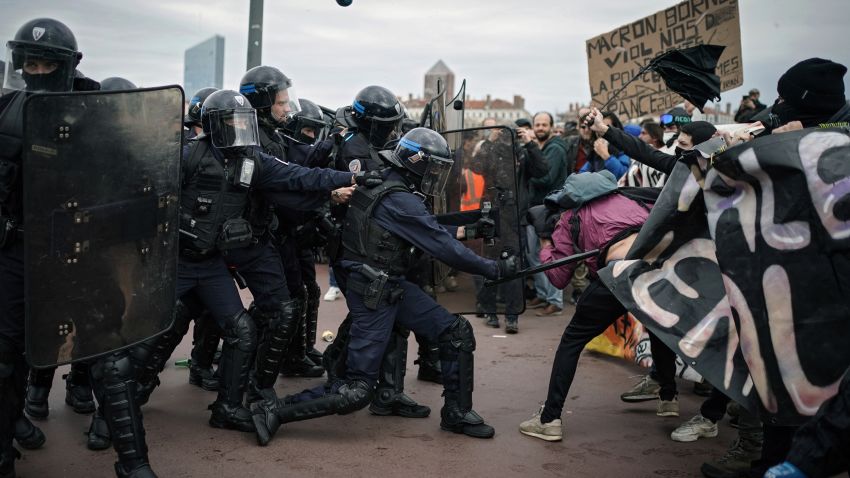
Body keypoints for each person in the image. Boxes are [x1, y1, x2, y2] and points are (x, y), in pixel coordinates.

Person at [251, 128, 517, 446]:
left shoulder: (387, 182)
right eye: (433, 168)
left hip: (386, 284)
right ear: (417, 163)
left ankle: (456, 414)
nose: (435, 176)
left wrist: (469, 226)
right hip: (376, 292)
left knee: (455, 333)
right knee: (357, 390)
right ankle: (274, 410)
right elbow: (441, 246)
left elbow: (426, 227)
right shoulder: (400, 198)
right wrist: (494, 269)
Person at [518, 170, 675, 442]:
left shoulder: (570, 218)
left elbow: (558, 278)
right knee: (657, 324)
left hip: (618, 274)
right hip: (659, 268)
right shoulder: (633, 199)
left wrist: (546, 244)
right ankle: (668, 396)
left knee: (571, 341)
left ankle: (549, 419)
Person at [526, 111, 568, 317]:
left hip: (550, 208)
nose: (540, 128)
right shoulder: (539, 147)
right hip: (536, 207)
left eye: (544, 124)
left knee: (549, 254)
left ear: (551, 127)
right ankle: (543, 294)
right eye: (537, 124)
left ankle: (555, 301)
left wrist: (524, 177)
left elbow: (547, 178)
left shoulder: (556, 149)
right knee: (533, 254)